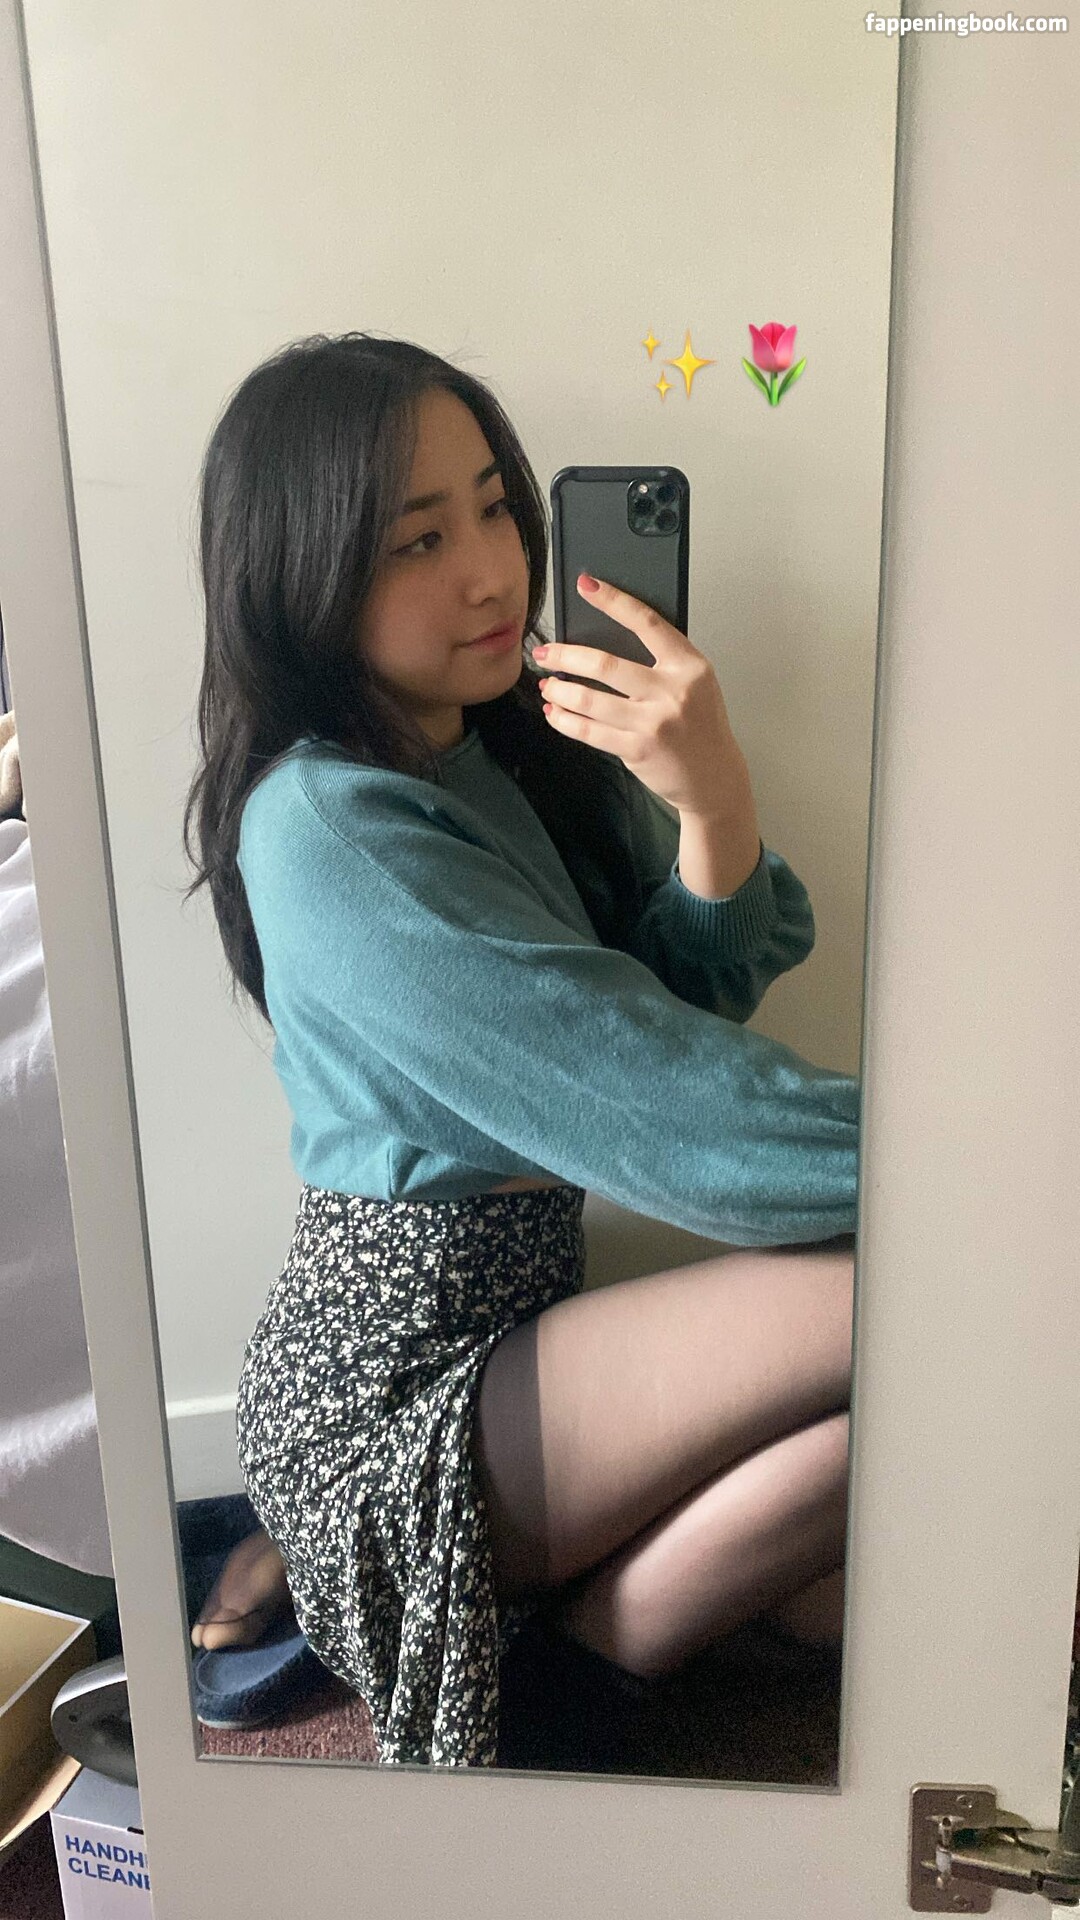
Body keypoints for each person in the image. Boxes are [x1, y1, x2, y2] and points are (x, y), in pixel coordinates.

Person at [182, 332, 860, 1769]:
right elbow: (672, 1113)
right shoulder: (325, 825)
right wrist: (988, 1170)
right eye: (417, 540)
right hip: (389, 1390)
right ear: (303, 578)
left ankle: (564, 1651)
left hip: (516, 1332)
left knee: (904, 1401)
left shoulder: (510, 752)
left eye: (496, 508)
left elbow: (675, 1009)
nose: (493, 573)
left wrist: (713, 799)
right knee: (914, 1298)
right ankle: (531, 1657)